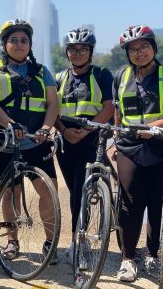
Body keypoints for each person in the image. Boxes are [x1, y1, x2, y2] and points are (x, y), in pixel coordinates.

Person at [0, 19, 59, 263]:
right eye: (13, 40)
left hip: (37, 140)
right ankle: (12, 241)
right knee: (10, 191)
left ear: (30, 44)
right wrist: (10, 125)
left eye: (24, 40)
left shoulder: (42, 71)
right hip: (5, 141)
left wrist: (47, 127)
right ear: (4, 44)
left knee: (48, 189)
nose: (18, 45)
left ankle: (50, 243)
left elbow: (52, 104)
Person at [53, 28, 114, 266]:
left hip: (90, 140)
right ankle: (81, 238)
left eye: (83, 49)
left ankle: (77, 244)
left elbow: (109, 107)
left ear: (90, 52)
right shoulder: (60, 78)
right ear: (67, 53)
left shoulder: (101, 74)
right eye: (73, 49)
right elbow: (53, 110)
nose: (78, 53)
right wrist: (64, 131)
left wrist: (87, 129)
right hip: (66, 141)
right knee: (74, 192)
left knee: (82, 192)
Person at [113, 25, 163, 282]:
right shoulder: (121, 76)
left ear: (153, 48)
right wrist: (115, 138)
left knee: (156, 202)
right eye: (133, 49)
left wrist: (153, 127)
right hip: (129, 147)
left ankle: (152, 254)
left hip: (159, 146)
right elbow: (117, 112)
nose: (139, 52)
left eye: (143, 46)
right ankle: (128, 259)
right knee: (130, 203)